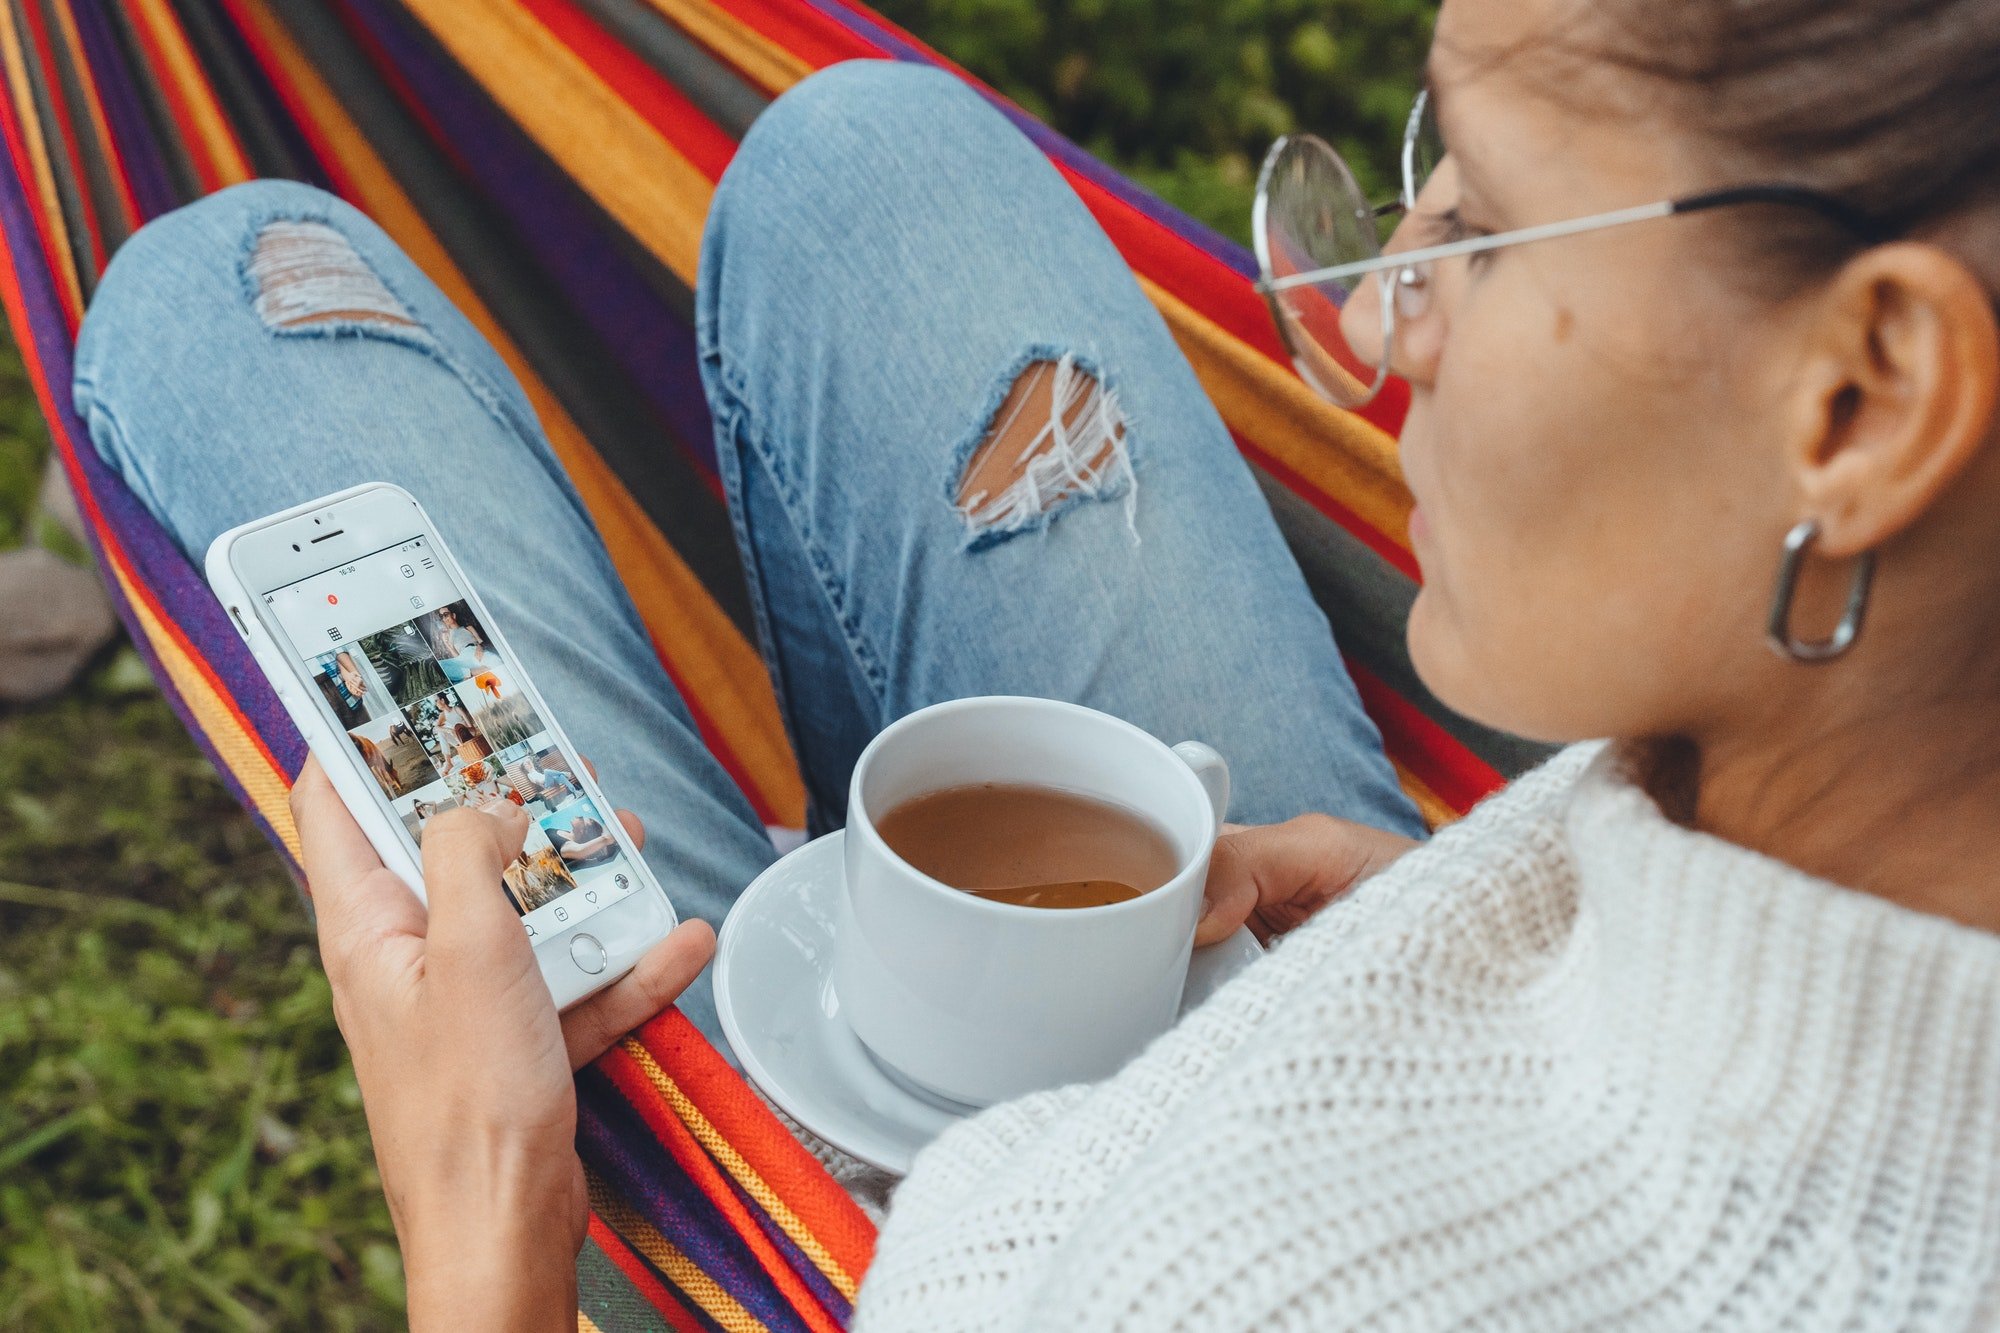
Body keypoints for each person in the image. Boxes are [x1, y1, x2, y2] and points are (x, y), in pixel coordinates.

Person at [70, 0, 2000, 1321]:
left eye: (1486, 227)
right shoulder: (1827, 796)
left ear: (1866, 391)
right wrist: (1512, 938)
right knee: (872, 160)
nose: (1371, 306)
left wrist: (477, 1220)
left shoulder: (1308, 1294)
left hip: (875, 1258)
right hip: (1322, 1053)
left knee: (201, 313)